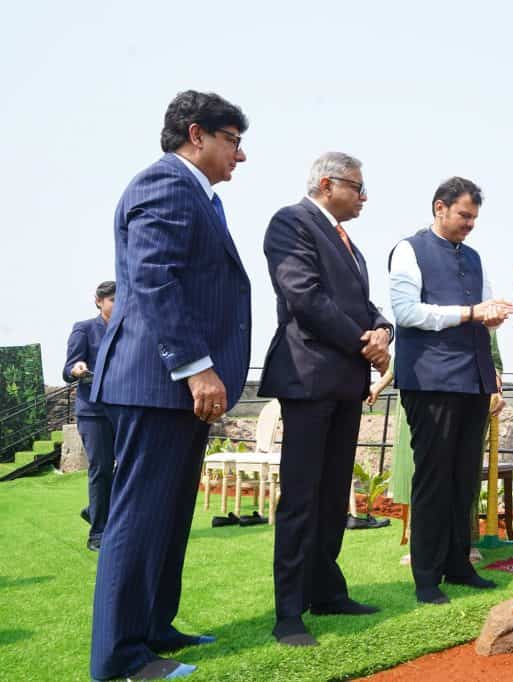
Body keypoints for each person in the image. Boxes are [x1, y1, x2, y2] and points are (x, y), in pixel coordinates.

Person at [89, 90, 251, 680]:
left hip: (173, 387)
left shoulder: (198, 195)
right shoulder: (165, 184)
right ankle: (120, 658)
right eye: (233, 139)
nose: (241, 154)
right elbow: (155, 280)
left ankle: (155, 627)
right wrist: (196, 366)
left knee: (169, 515)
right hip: (155, 382)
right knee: (138, 517)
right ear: (196, 133)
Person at [258, 152, 393, 647]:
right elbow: (305, 298)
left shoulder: (349, 245)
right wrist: (366, 341)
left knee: (334, 493)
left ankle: (325, 591)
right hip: (308, 376)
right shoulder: (291, 223)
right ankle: (289, 612)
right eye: (357, 187)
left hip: (345, 383)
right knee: (301, 497)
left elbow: (366, 306)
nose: (363, 196)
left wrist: (384, 331)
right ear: (327, 182)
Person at [388, 176, 513, 604]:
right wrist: (469, 313)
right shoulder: (409, 250)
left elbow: (483, 308)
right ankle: (426, 577)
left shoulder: (474, 258)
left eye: (475, 218)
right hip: (431, 380)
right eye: (464, 215)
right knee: (433, 477)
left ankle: (459, 564)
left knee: (464, 478)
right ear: (439, 208)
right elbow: (405, 312)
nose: (470, 224)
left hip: (473, 379)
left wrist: (494, 314)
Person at [368, 329, 506, 560]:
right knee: (426, 472)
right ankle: (423, 548)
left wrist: (496, 388)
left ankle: (463, 546)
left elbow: (493, 362)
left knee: (462, 474)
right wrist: (378, 386)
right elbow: (402, 358)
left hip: (469, 399)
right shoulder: (420, 312)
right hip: (424, 398)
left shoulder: (482, 316)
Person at [63, 280, 116, 552]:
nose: (117, 305)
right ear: (99, 301)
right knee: (101, 467)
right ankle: (97, 534)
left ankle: (94, 509)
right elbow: (68, 368)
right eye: (112, 300)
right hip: (93, 411)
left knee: (129, 467)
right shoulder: (84, 328)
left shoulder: (127, 330)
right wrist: (76, 369)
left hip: (122, 409)